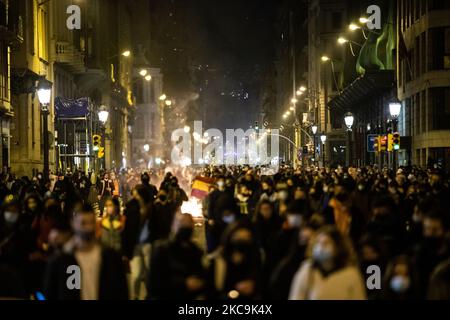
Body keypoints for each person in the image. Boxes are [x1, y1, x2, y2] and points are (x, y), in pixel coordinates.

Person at [43, 203, 128, 300]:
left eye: (91, 222)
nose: (88, 227)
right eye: (83, 223)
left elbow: (121, 292)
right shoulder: (60, 260)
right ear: (73, 223)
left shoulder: (110, 257)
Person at [289, 226, 367, 300]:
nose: (320, 247)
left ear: (338, 247)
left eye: (326, 243)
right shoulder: (307, 270)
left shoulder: (351, 274)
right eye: (318, 243)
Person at [147, 213, 206, 300]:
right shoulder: (162, 250)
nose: (186, 228)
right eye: (182, 224)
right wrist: (184, 284)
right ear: (174, 226)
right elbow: (155, 283)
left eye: (189, 225)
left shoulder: (195, 251)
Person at [207, 220, 262, 300]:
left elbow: (257, 272)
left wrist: (252, 283)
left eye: (247, 238)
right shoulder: (220, 258)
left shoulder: (255, 255)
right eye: (238, 238)